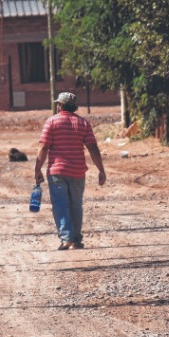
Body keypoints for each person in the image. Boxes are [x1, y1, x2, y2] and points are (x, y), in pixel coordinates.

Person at [34, 91, 106, 250]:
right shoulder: (83, 123)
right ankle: (76, 239)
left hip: (57, 171)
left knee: (60, 204)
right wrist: (101, 169)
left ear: (60, 105)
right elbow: (92, 147)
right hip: (78, 171)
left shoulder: (51, 122)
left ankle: (67, 238)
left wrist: (37, 169)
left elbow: (44, 146)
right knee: (76, 204)